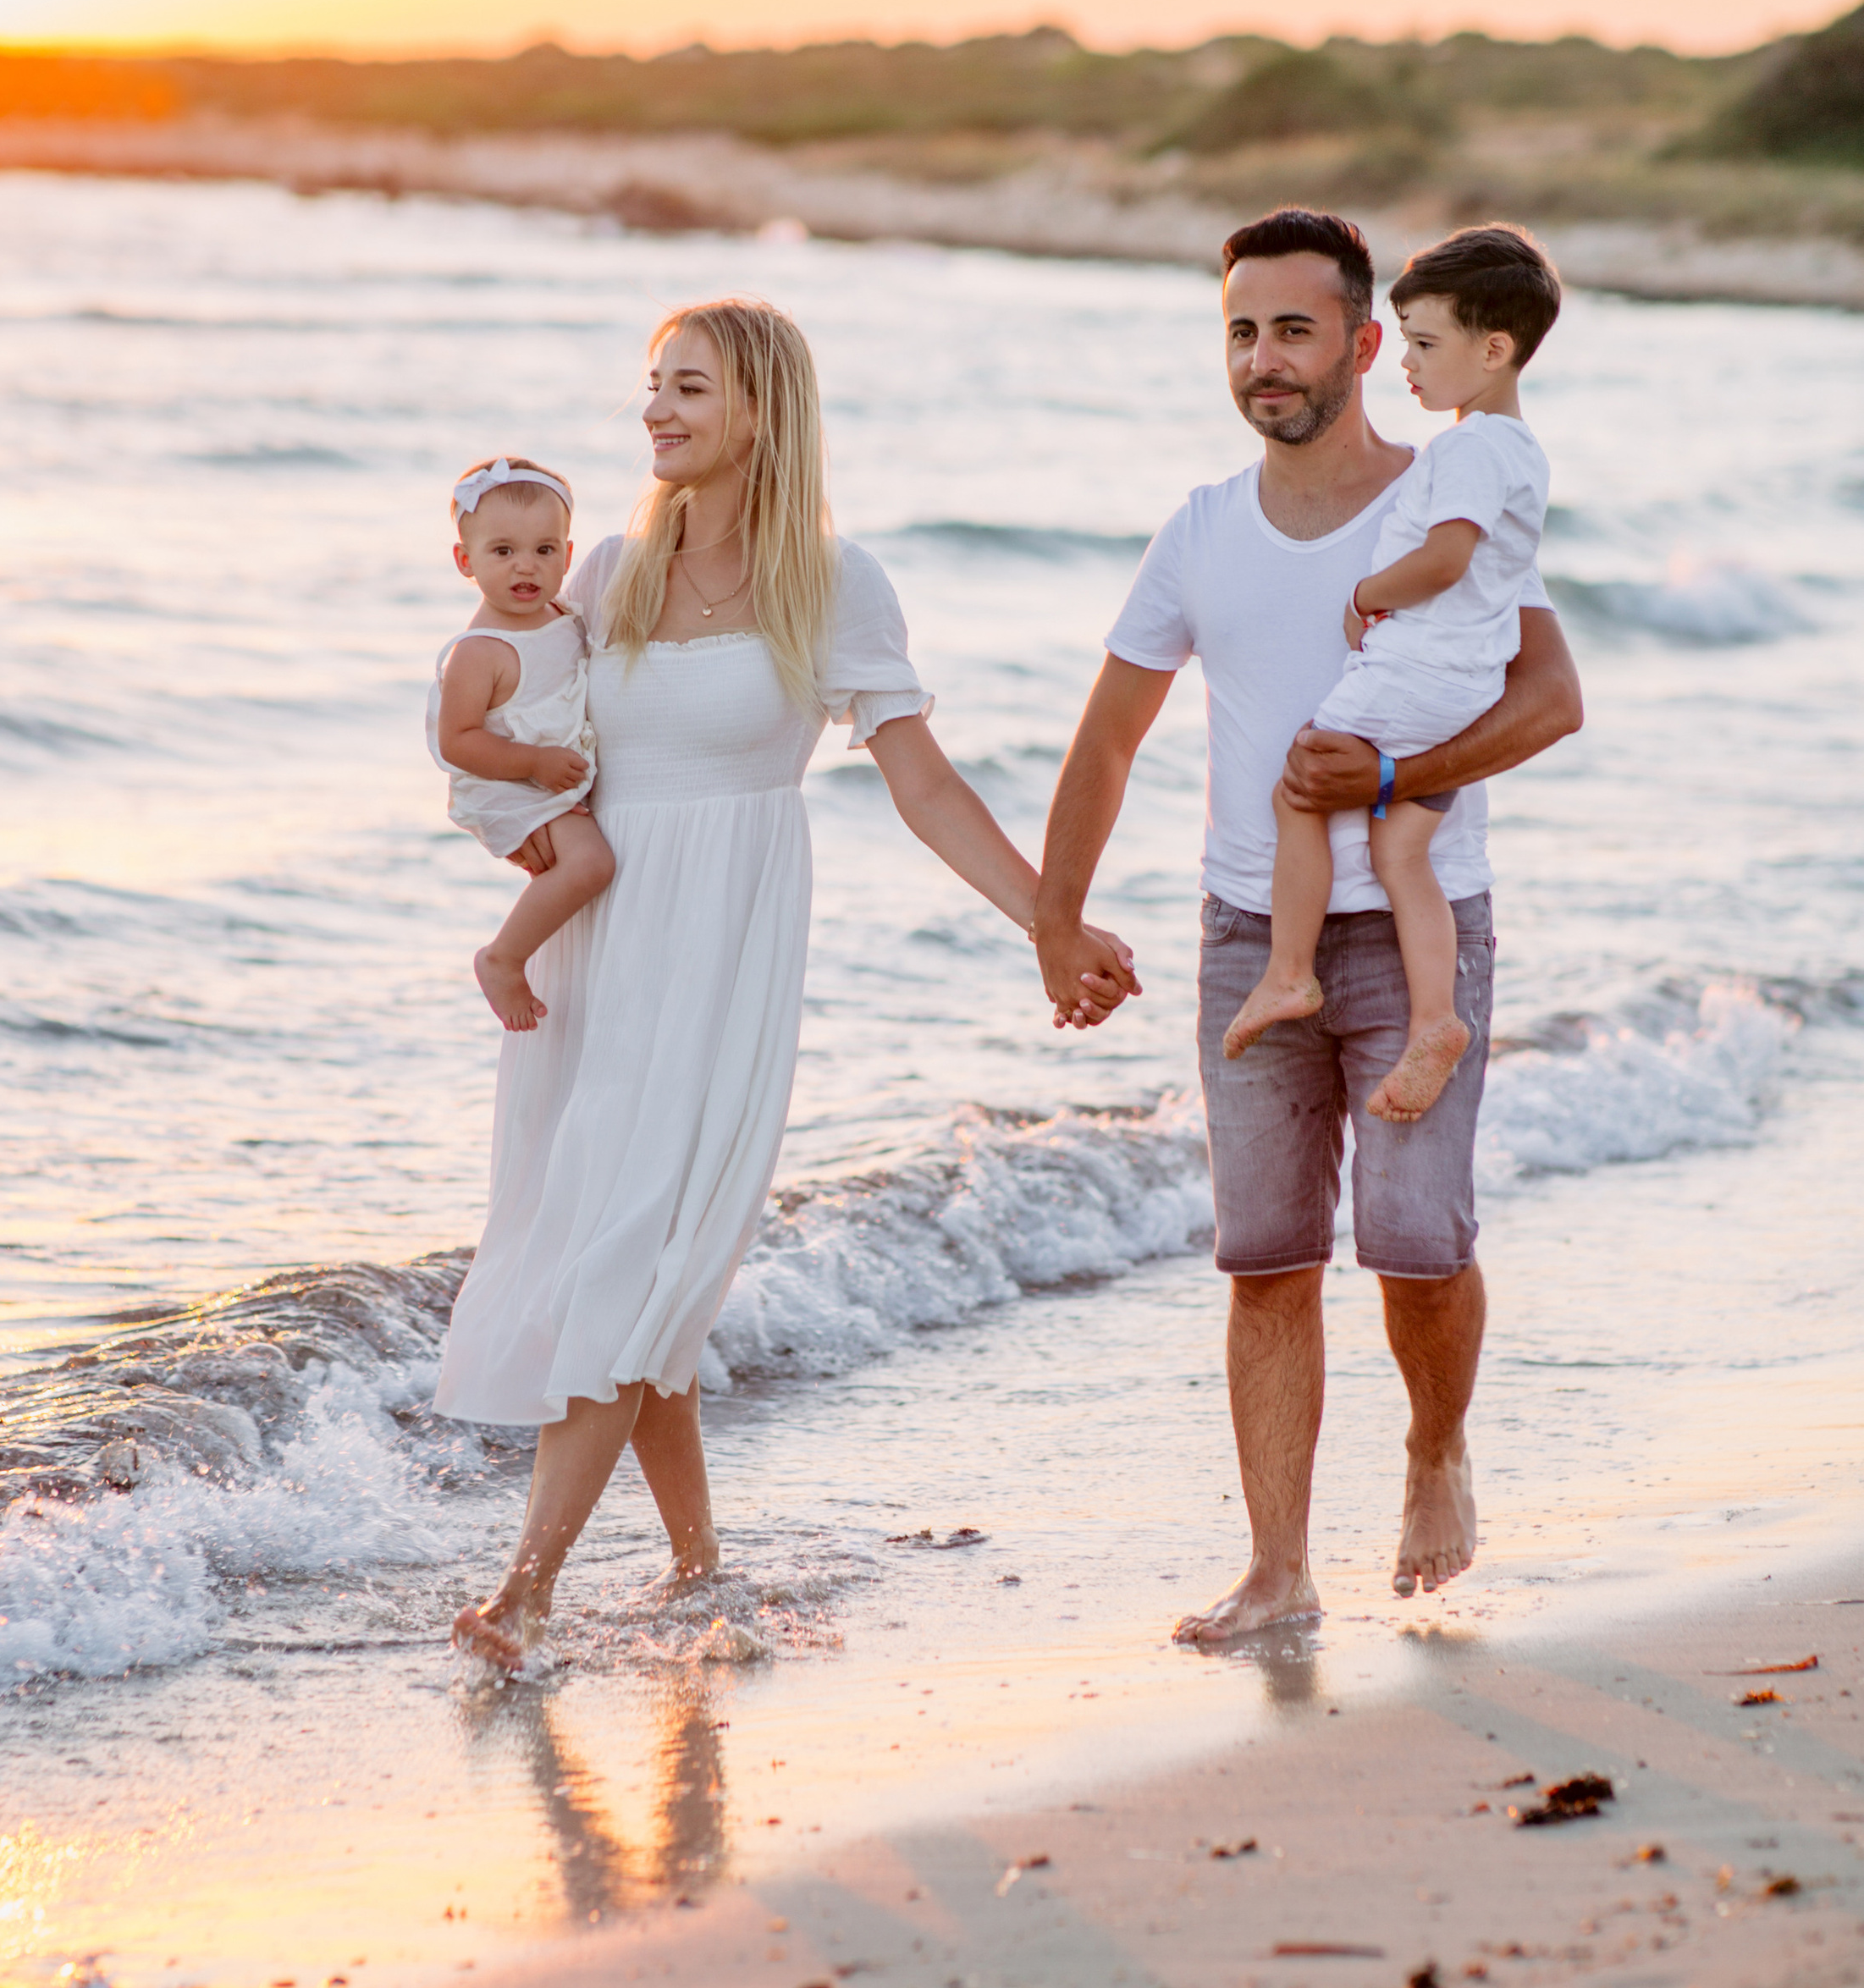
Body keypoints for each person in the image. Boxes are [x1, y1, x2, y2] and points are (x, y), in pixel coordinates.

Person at [438, 296, 1131, 1669]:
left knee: (642, 1251)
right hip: (601, 953)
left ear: (759, 408)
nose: (656, 412)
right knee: (627, 1257)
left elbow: (923, 786)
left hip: (725, 948)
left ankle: (525, 1593)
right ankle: (699, 1566)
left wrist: (1050, 921)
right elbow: (502, 724)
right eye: (651, 387)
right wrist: (516, 853)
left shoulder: (835, 582)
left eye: (687, 388)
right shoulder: (605, 574)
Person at [1033, 209, 1583, 1642]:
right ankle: (1278, 1571)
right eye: (1238, 330)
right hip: (1246, 933)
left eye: (1292, 329)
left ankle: (1434, 1448)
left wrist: (1399, 776)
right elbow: (1105, 744)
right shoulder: (1199, 531)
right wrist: (1055, 918)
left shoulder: (1446, 493)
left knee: (1415, 1238)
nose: (1262, 359)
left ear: (1357, 341)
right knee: (1264, 1257)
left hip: (1416, 925)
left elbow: (1551, 700)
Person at [1223, 227, 1562, 1123]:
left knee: (1300, 789)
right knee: (1399, 848)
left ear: (1492, 351)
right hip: (1464, 689)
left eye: (1422, 344)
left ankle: (1288, 973)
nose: (1403, 363)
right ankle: (1434, 1020)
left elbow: (1447, 558)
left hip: (1415, 673)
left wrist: (1369, 593)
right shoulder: (1521, 451)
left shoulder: (1468, 447)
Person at [427, 455, 614, 1033]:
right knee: (590, 863)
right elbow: (457, 742)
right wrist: (533, 763)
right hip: (507, 781)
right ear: (466, 560)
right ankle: (502, 957)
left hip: (545, 770)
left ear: (568, 554)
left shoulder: (563, 614)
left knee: (584, 860)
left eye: (544, 550)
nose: (525, 567)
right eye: (503, 552)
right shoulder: (479, 651)